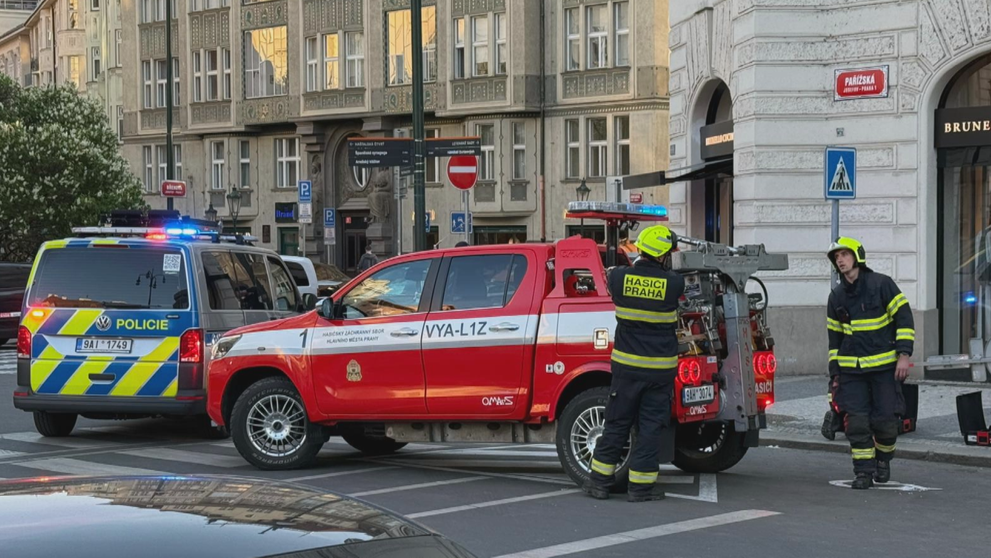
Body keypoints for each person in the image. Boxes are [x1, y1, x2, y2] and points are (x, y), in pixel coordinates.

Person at [583, 225, 685, 503]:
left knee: (617, 423)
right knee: (651, 428)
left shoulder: (619, 278)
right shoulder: (674, 284)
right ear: (663, 255)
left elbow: (608, 280)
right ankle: (640, 488)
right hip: (659, 372)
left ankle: (599, 483)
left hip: (626, 370)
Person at [826, 237, 913, 490]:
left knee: (886, 422)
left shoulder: (882, 284)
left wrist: (904, 355)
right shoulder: (836, 296)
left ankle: (883, 460)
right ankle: (863, 471)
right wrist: (835, 374)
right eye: (836, 257)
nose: (840, 260)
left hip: (885, 368)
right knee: (856, 423)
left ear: (857, 256)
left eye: (844, 254)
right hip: (851, 371)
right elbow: (834, 339)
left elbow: (904, 319)